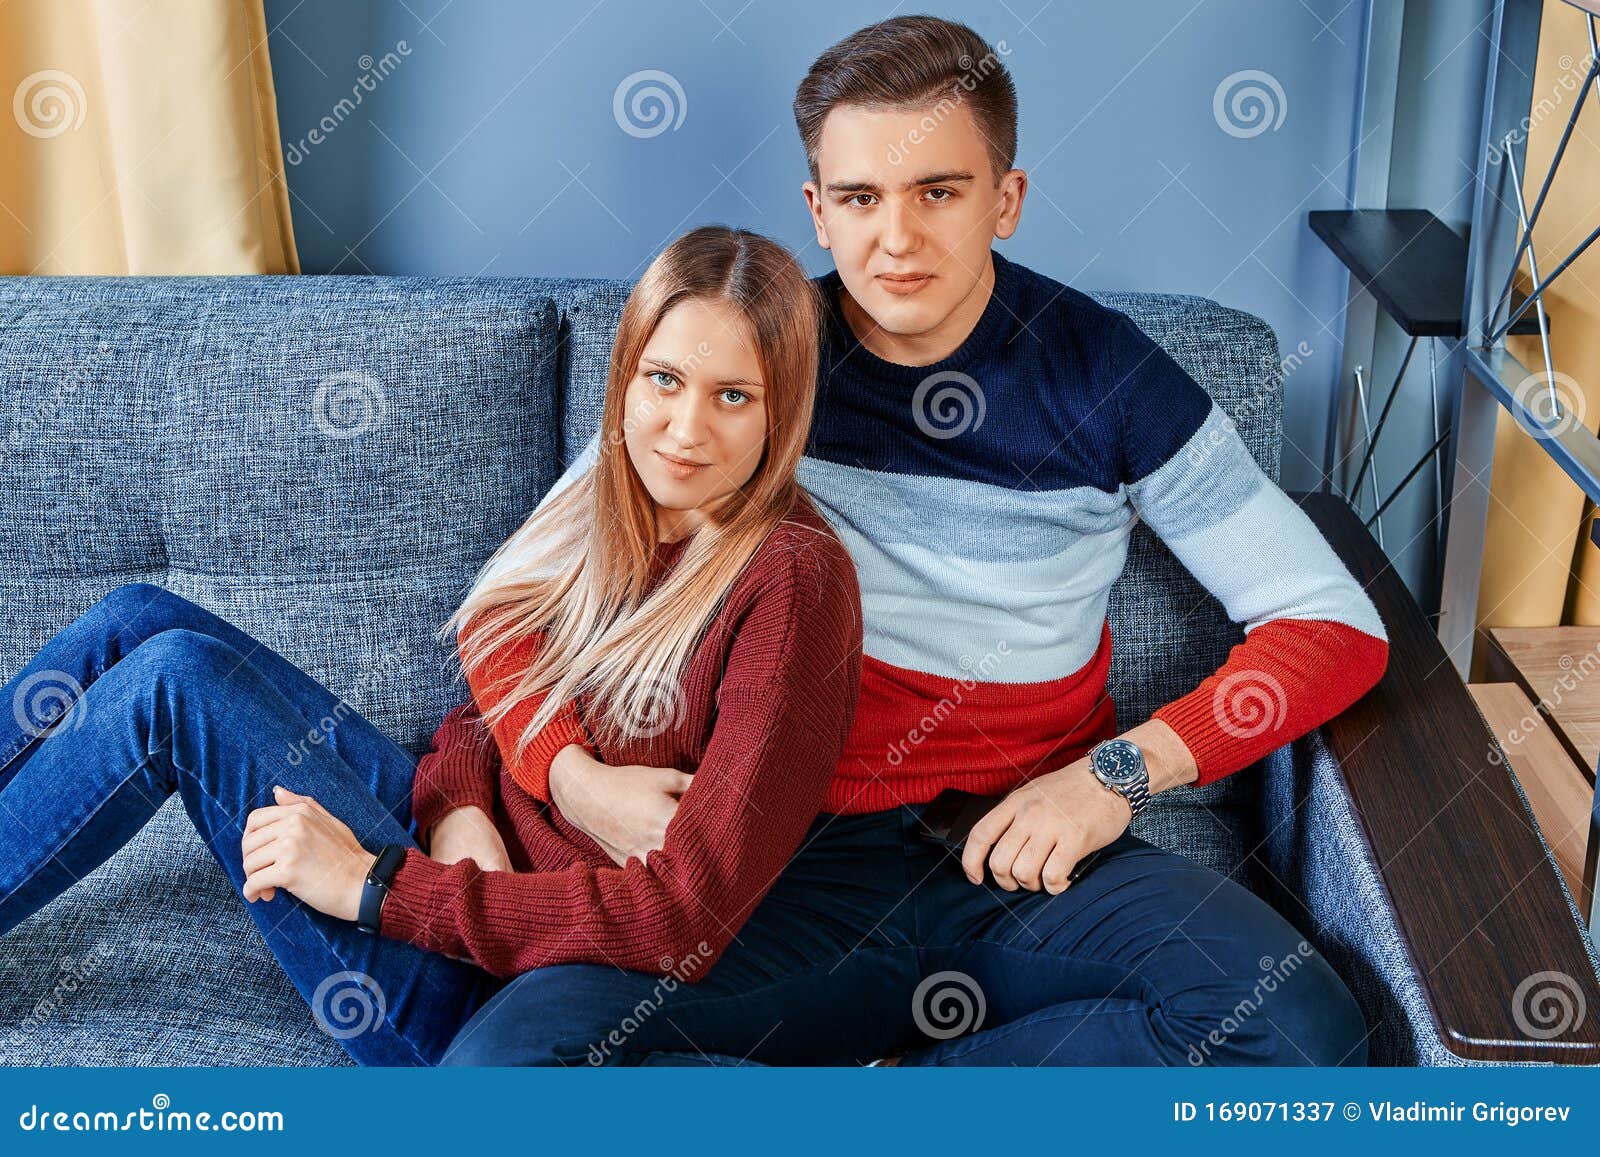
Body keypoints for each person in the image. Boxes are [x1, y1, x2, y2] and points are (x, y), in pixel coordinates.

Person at [443, 16, 1390, 1067]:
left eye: (938, 192)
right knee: (508, 1065)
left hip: (1019, 854)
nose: (895, 239)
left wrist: (1113, 775)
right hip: (782, 864)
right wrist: (571, 777)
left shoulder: (1112, 378)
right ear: (818, 209)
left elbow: (1330, 623)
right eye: (859, 199)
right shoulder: (750, 362)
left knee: (1303, 1033)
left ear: (1005, 199)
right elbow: (507, 604)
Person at [0, 224, 862, 1067]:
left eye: (733, 395)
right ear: (626, 374)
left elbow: (681, 918)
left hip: (481, 977)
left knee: (173, 682)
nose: (684, 428)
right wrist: (459, 807)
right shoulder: (615, 495)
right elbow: (486, 701)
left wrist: (380, 886)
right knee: (138, 615)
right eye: (664, 379)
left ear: (781, 411)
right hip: (454, 861)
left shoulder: (791, 583)